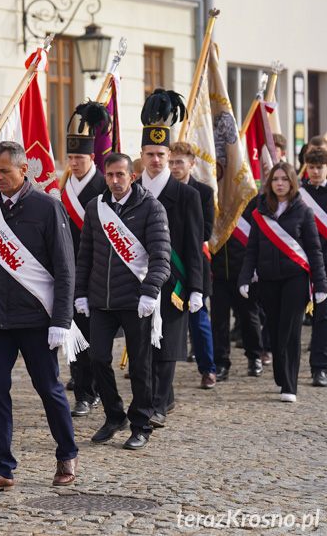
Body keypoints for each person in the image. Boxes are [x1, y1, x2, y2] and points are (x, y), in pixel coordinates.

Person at [0, 141, 79, 492]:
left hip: (36, 319)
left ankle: (67, 453)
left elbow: (65, 270)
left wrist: (61, 321)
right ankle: (1, 468)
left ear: (23, 170)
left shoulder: (47, 207)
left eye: (4, 171)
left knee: (48, 389)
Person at [76, 152, 171, 450]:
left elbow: (161, 258)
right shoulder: (96, 207)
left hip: (136, 299)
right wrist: (80, 292)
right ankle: (114, 415)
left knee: (141, 366)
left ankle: (141, 424)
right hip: (101, 301)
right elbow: (86, 254)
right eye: (110, 175)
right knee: (98, 359)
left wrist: (150, 290)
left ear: (133, 176)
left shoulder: (151, 208)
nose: (115, 181)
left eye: (121, 175)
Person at [138, 89, 203, 427]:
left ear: (169, 154)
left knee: (167, 348)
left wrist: (196, 288)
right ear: (142, 155)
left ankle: (159, 406)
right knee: (142, 348)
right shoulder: (131, 190)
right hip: (136, 280)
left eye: (161, 154)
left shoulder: (187, 195)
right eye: (150, 153)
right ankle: (148, 402)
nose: (156, 160)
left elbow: (193, 245)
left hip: (174, 283)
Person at [239, 162, 327, 403]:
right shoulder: (260, 211)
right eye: (275, 179)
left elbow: (314, 250)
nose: (279, 183)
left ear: (292, 182)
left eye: (284, 179)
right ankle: (280, 377)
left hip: (295, 278)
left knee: (290, 330)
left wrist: (320, 285)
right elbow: (253, 248)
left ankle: (290, 385)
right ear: (270, 183)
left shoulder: (304, 211)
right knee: (275, 330)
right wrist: (245, 277)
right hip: (268, 279)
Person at [59, 101, 108, 417]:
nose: (74, 162)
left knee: (96, 338)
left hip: (98, 272)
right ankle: (83, 392)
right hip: (69, 271)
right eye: (71, 157)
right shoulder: (63, 186)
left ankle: (97, 389)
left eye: (79, 157)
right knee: (74, 334)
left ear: (92, 157)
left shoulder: (103, 186)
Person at [169, 142, 216, 388]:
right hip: (167, 263)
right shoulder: (162, 188)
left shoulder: (204, 192)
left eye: (179, 162)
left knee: (199, 320)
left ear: (191, 163)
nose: (174, 167)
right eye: (171, 162)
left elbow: (206, 230)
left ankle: (208, 369)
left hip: (194, 261)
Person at [211, 197, 264, 380]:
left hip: (244, 271)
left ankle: (254, 357)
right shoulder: (216, 197)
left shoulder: (249, 198)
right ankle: (221, 362)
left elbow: (258, 234)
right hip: (217, 271)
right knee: (219, 320)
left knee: (249, 316)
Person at [301, 147, 327, 386]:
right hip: (300, 262)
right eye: (311, 167)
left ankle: (319, 366)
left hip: (325, 265)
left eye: (319, 167)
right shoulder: (299, 195)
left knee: (323, 317)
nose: (315, 172)